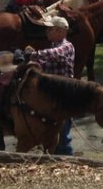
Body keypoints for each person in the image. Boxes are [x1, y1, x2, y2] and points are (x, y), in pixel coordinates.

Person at [27, 15, 77, 155]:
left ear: (61, 31)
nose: (47, 32)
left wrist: (32, 54)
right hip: (52, 96)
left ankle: (68, 162)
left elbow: (50, 54)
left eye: (50, 29)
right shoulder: (54, 46)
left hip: (63, 97)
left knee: (63, 136)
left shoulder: (66, 47)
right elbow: (43, 63)